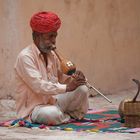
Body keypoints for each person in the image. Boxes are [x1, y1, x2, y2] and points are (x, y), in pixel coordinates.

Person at [14, 11, 89, 125]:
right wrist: (67, 87)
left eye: (55, 36)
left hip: (53, 101)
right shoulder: (25, 57)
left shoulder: (51, 55)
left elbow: (63, 79)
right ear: (38, 36)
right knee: (50, 114)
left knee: (82, 89)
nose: (54, 40)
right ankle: (66, 116)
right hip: (34, 108)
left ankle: (62, 115)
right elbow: (39, 86)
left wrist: (76, 80)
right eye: (50, 36)